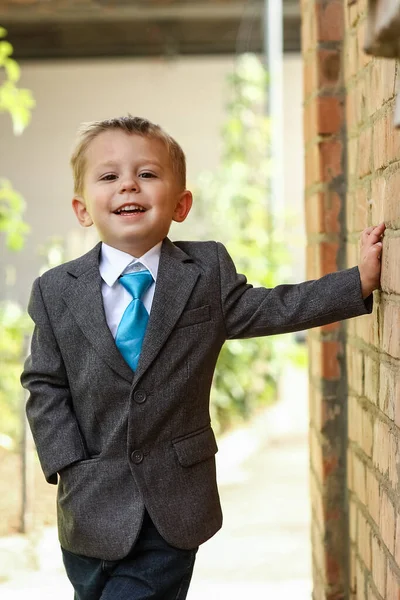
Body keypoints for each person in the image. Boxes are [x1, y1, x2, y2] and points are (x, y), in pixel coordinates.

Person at [21, 115, 385, 600]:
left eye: (147, 174)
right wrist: (67, 462)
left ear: (181, 204)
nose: (128, 183)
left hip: (174, 505)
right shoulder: (54, 291)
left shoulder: (204, 271)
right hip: (89, 507)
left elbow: (271, 307)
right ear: (82, 208)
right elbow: (44, 382)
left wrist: (356, 282)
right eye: (108, 176)